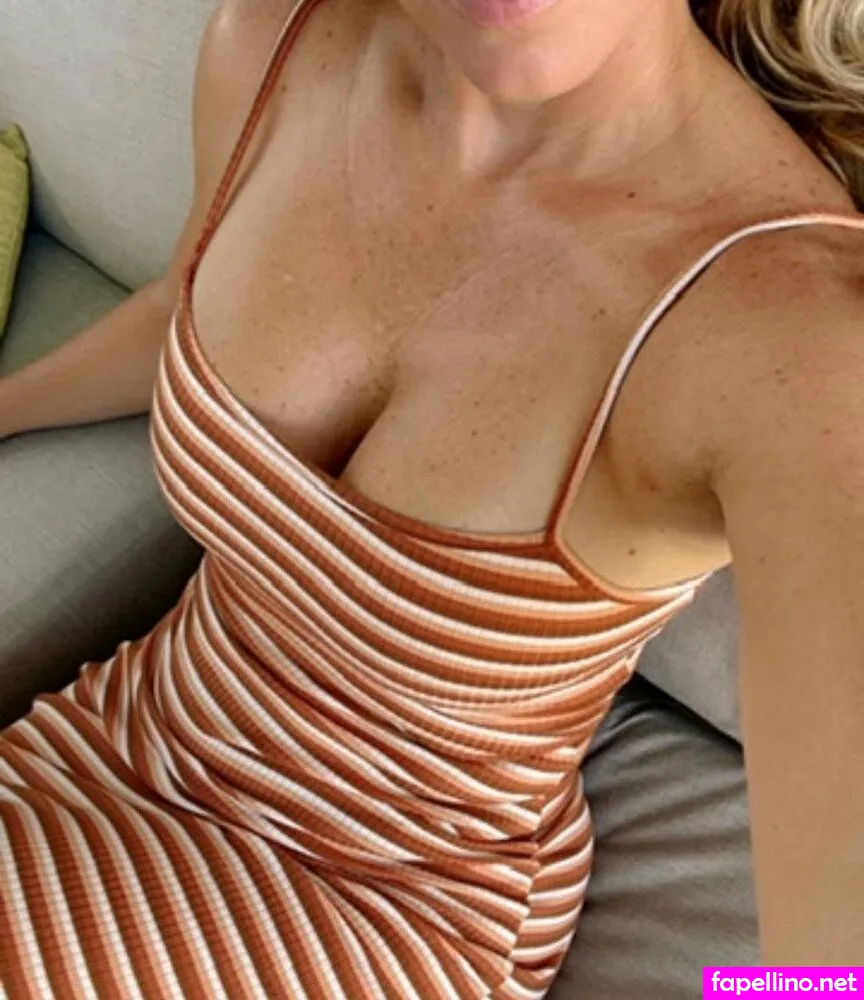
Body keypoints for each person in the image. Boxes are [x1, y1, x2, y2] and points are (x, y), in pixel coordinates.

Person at [0, 0, 862, 994]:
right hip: (121, 740)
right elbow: (179, 306)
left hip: (388, 898)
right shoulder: (276, 40)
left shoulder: (800, 334)